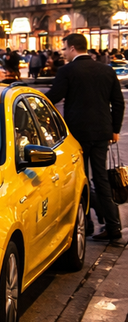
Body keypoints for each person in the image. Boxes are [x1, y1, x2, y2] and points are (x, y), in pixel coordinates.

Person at [47, 33, 123, 242]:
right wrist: (114, 129)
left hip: (77, 133)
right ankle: (113, 226)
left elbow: (54, 96)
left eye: (65, 49)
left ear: (72, 48)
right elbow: (118, 102)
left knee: (80, 179)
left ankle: (86, 223)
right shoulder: (105, 70)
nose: (63, 53)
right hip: (101, 132)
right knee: (101, 179)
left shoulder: (67, 71)